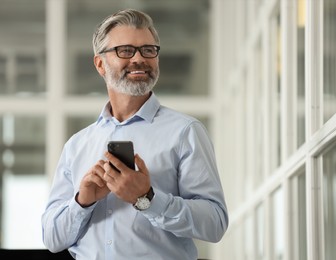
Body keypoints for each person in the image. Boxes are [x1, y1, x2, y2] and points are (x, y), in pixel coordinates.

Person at [41, 8, 229, 260]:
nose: (139, 58)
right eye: (126, 50)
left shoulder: (185, 132)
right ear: (100, 64)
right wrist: (82, 201)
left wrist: (147, 198)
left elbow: (215, 223)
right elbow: (52, 238)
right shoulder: (77, 145)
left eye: (148, 50)